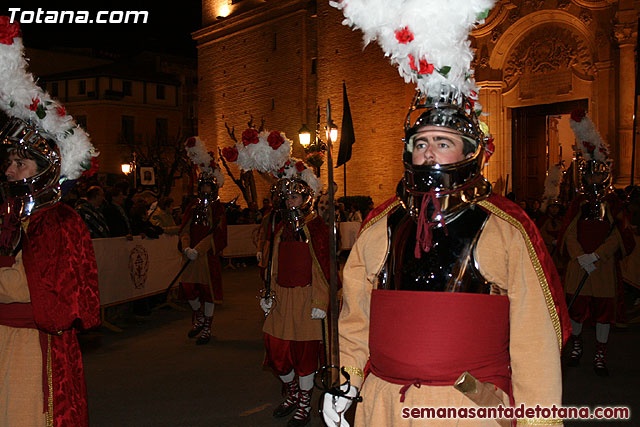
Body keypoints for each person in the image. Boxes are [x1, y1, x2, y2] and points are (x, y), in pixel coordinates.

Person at [322, 3, 570, 425]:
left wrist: (538, 418)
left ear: (470, 152)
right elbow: (356, 317)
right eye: (420, 142)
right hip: (385, 407)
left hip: (468, 408)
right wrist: (347, 381)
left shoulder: (505, 228)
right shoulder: (382, 224)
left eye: (442, 141)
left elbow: (535, 340)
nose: (428, 152)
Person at [0, 125, 100, 423]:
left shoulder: (55, 221)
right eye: (9, 162)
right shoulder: (15, 218)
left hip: (30, 344)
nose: (8, 171)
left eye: (20, 163)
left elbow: (27, 287)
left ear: (44, 171)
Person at [559, 110, 635, 376]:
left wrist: (597, 256)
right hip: (579, 265)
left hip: (601, 268)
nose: (594, 180)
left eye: (598, 175)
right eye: (590, 175)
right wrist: (579, 255)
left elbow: (619, 235)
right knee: (576, 310)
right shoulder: (578, 202)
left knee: (603, 312)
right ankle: (577, 346)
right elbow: (568, 232)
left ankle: (600, 353)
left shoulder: (613, 203)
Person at [260, 170, 330, 427]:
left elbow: (323, 268)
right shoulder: (280, 228)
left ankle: (303, 402)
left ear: (306, 199)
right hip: (282, 298)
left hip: (307, 298)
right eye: (287, 197)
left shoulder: (316, 227)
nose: (290, 201)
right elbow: (273, 264)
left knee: (305, 355)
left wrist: (320, 302)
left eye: (295, 197)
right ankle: (292, 392)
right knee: (276, 349)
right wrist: (268, 293)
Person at [179, 136, 227, 345]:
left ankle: (207, 325)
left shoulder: (218, 209)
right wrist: (186, 246)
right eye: (203, 187)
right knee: (189, 289)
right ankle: (198, 317)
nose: (205, 190)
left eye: (209, 187)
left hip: (206, 256)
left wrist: (199, 249)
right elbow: (185, 228)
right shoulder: (192, 206)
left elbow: (217, 234)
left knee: (208, 293)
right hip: (191, 254)